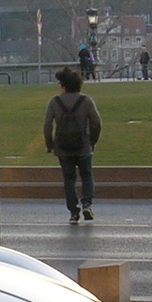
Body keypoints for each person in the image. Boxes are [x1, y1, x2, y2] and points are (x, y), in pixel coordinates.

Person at [44, 67, 102, 224]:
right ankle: (87, 204)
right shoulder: (87, 101)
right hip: (83, 146)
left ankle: (73, 213)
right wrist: (92, 141)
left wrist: (50, 144)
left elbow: (47, 125)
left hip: (62, 148)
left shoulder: (54, 102)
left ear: (63, 85)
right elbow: (96, 122)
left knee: (69, 179)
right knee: (87, 175)